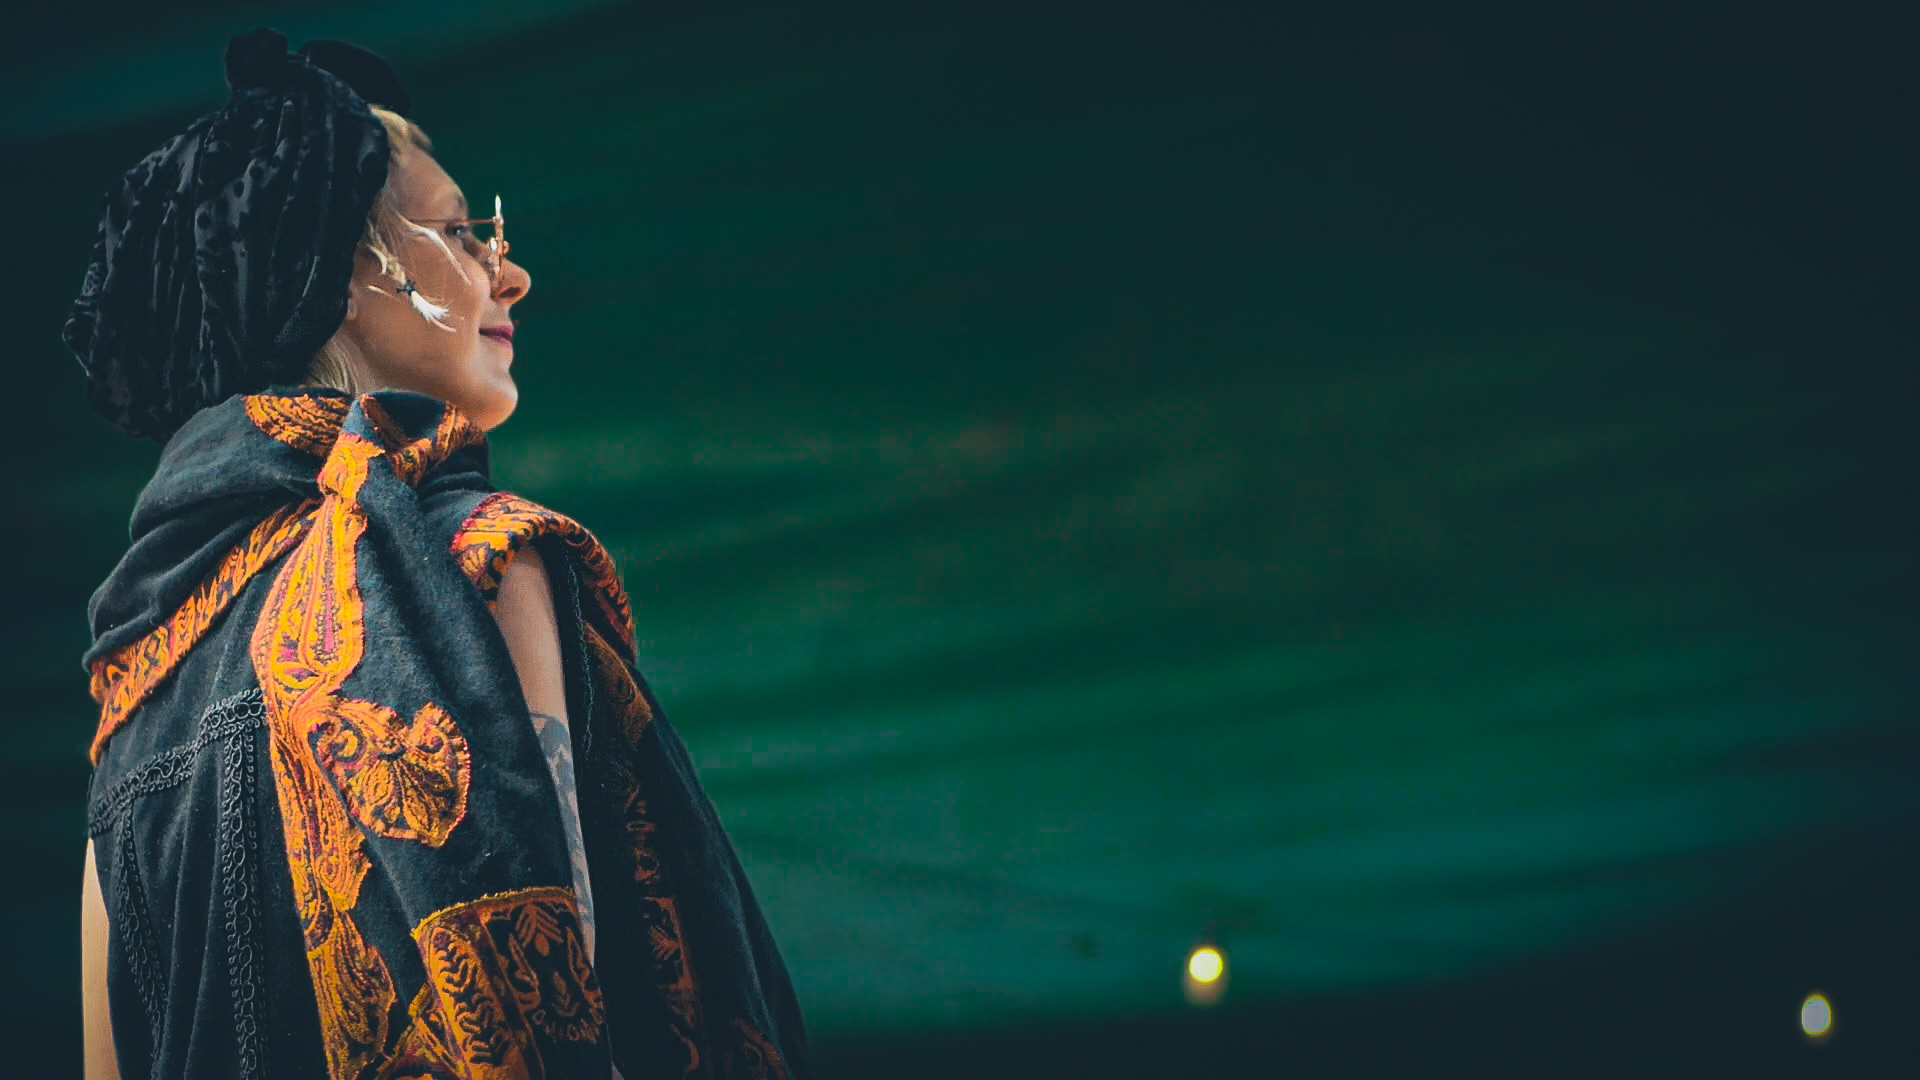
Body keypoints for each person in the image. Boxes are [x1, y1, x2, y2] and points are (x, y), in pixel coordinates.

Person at [67, 28, 809, 1080]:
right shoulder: (473, 556)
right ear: (325, 274)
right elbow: (556, 1011)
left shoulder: (131, 695)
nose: (512, 276)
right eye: (465, 233)